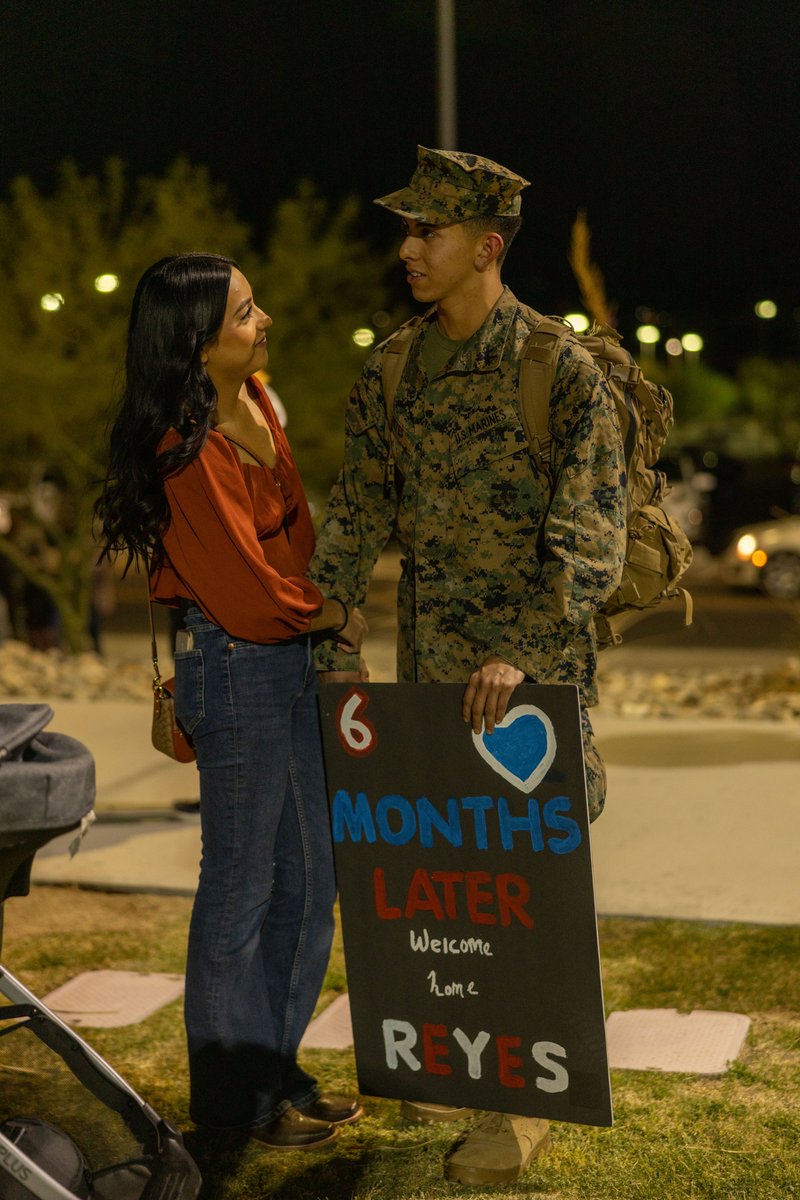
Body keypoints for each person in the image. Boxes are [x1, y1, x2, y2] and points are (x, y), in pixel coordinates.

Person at [309, 147, 627, 1186]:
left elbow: (588, 538)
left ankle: (513, 1109)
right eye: (404, 231)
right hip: (429, 686)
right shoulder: (392, 368)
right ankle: (465, 1066)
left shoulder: (555, 368)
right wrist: (335, 646)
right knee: (454, 893)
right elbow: (354, 516)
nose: (407, 249)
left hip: (526, 681)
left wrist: (519, 657)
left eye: (426, 232)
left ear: (484, 248)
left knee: (531, 891)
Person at [95, 253, 366, 1151]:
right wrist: (331, 609)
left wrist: (324, 614)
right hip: (235, 663)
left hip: (284, 661)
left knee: (310, 880)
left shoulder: (252, 405)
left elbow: (294, 537)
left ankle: (272, 1072)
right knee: (242, 890)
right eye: (246, 314)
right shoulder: (185, 444)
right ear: (196, 341)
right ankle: (229, 1104)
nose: (267, 322)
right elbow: (248, 590)